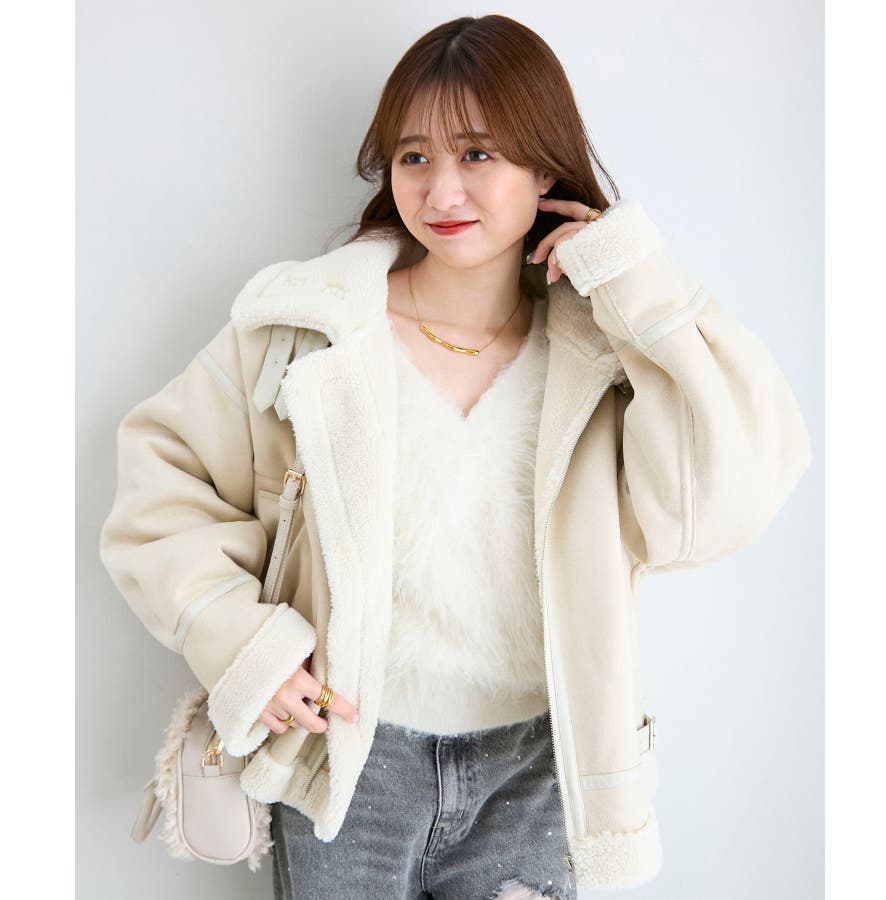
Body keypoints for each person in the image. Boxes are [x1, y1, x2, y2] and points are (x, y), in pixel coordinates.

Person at [98, 13, 812, 899]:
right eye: (414, 157)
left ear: (544, 168)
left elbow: (736, 487)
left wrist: (636, 280)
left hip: (537, 772)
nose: (442, 190)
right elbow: (160, 482)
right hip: (351, 761)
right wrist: (246, 645)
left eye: (478, 154)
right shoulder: (312, 330)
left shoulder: (601, 357)